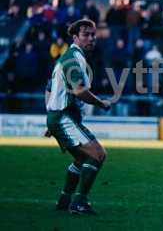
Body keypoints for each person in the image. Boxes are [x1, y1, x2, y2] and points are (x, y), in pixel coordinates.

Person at [45, 19, 112, 215]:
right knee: (98, 154)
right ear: (75, 37)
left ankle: (65, 200)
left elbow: (48, 88)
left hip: (58, 117)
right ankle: (79, 203)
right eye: (86, 34)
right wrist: (101, 103)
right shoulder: (73, 59)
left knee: (82, 159)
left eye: (93, 34)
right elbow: (80, 91)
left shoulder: (68, 57)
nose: (91, 38)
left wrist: (50, 114)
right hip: (64, 117)